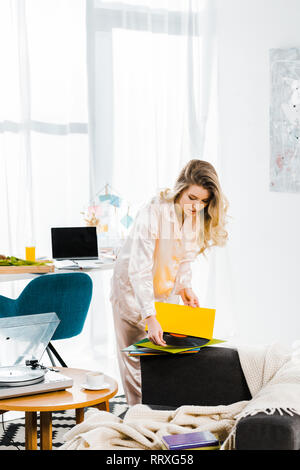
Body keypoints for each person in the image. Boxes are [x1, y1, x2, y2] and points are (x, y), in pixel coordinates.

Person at [109, 159, 229, 406]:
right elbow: (139, 269)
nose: (198, 206)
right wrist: (149, 316)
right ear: (180, 189)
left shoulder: (192, 215)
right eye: (193, 197)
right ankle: (138, 419)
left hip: (164, 294)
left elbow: (184, 257)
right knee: (136, 362)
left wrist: (185, 287)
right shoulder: (153, 213)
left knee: (163, 357)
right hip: (132, 292)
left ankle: (161, 416)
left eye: (204, 201)